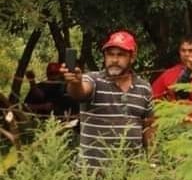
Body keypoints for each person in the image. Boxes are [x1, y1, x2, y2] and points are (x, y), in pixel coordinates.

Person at [61, 30, 154, 172]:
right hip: (92, 177)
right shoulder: (93, 80)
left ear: (132, 57)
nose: (114, 60)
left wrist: (153, 160)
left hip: (132, 178)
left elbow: (149, 128)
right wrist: (75, 82)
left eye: (120, 55)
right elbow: (79, 92)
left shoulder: (144, 87)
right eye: (110, 54)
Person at [151, 35, 192, 100]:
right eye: (183, 50)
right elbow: (152, 97)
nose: (186, 54)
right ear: (179, 51)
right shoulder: (169, 74)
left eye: (191, 50)